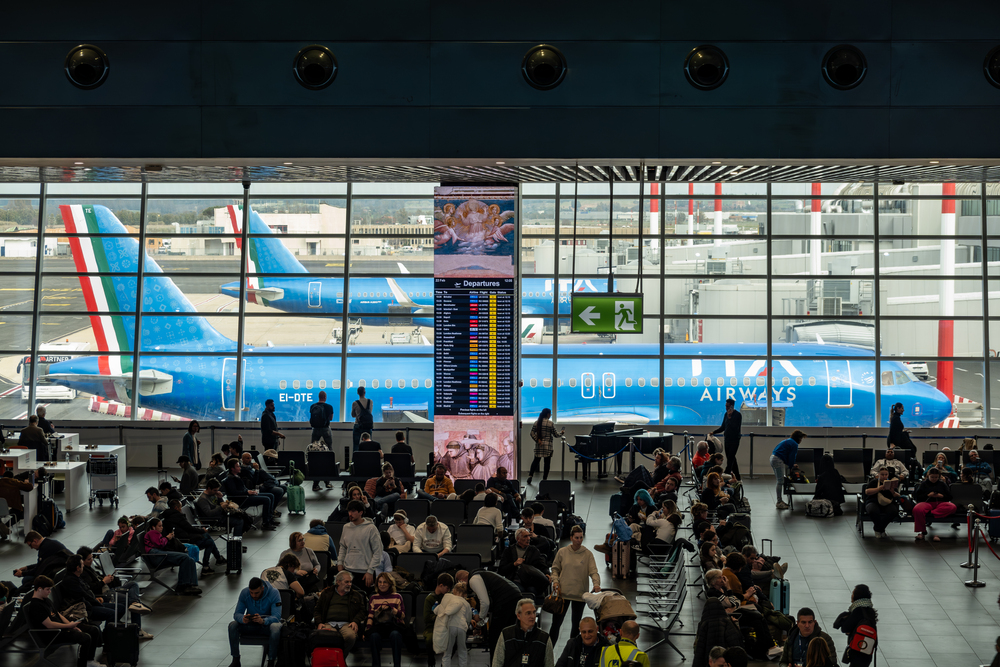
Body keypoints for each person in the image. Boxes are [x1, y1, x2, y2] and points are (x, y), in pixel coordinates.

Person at [24, 575, 104, 667]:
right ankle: (83, 664)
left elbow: (58, 614)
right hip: (52, 634)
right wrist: (68, 626)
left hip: (61, 628)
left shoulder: (45, 600)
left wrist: (71, 625)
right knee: (86, 638)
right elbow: (49, 625)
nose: (49, 592)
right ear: (39, 589)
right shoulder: (36, 606)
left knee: (94, 630)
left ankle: (89, 660)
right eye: (47, 590)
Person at [548, 525, 600, 642]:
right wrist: (555, 581)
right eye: (576, 538)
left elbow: (593, 571)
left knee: (576, 627)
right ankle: (549, 651)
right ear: (571, 538)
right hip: (563, 594)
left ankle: (572, 653)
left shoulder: (587, 554)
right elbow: (555, 569)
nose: (579, 540)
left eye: (581, 537)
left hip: (579, 595)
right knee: (556, 625)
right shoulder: (562, 552)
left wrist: (596, 584)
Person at [459, 569, 523, 661]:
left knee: (495, 637)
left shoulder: (473, 579)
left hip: (506, 600)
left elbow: (485, 603)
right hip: (514, 595)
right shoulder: (480, 574)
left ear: (461, 580)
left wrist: (480, 618)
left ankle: (495, 663)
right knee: (508, 634)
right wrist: (479, 625)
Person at [161, 498, 226, 573]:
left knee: (206, 536)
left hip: (181, 538)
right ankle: (206, 566)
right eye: (180, 507)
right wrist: (202, 530)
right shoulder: (178, 517)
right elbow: (189, 528)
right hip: (186, 539)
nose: (181, 509)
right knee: (209, 542)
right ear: (176, 508)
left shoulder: (167, 517)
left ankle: (218, 559)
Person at [229, 577, 282, 667]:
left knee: (275, 627)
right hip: (250, 624)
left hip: (266, 626)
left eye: (256, 593)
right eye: (251, 593)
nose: (254, 595)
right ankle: (236, 659)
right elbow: (237, 614)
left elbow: (277, 617)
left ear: (262, 588)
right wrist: (243, 618)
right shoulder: (244, 593)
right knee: (232, 625)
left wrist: (263, 621)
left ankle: (271, 661)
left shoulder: (274, 593)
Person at [311, 570, 368, 654]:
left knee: (350, 636)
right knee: (327, 636)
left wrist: (355, 621)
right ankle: (335, 660)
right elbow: (317, 610)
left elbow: (362, 611)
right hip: (328, 623)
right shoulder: (326, 593)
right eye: (347, 582)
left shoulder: (356, 595)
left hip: (347, 623)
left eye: (350, 582)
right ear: (338, 582)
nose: (350, 584)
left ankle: (340, 658)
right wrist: (319, 622)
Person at [143, 518, 202, 595]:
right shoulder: (152, 532)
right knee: (185, 557)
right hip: (157, 555)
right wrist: (167, 538)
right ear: (153, 527)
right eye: (159, 526)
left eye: (162, 526)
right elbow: (159, 544)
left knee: (189, 559)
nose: (162, 527)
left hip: (159, 554)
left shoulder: (155, 533)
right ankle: (182, 585)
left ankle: (190, 584)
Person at [491, 598, 554, 667]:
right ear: (518, 616)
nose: (532, 616)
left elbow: (549, 664)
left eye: (534, 612)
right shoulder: (506, 634)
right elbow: (497, 662)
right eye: (528, 613)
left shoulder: (544, 638)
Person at [338, 499, 383, 592]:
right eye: (349, 511)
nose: (350, 513)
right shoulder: (346, 527)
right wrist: (340, 563)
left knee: (364, 601)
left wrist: (370, 571)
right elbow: (343, 547)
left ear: (361, 512)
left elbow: (378, 551)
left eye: (353, 511)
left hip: (365, 573)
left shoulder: (371, 528)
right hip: (348, 571)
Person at [222, 459, 279, 530]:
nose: (240, 468)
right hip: (242, 499)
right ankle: (265, 523)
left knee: (271, 495)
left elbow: (242, 488)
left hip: (246, 495)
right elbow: (234, 493)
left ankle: (269, 519)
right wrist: (247, 492)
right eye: (237, 466)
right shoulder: (230, 479)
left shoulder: (236, 476)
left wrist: (249, 491)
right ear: (232, 468)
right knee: (267, 499)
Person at [365, 572, 406, 667]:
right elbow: (370, 616)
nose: (382, 585)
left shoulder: (397, 596)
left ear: (390, 584)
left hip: (393, 625)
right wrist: (367, 629)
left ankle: (397, 665)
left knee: (395, 635)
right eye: (380, 582)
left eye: (385, 582)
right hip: (379, 626)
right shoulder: (373, 598)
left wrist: (395, 611)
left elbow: (402, 616)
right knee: (374, 636)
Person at [833, 584, 877, 667]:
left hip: (857, 650)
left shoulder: (858, 610)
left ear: (857, 596)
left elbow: (845, 628)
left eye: (853, 593)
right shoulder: (870, 610)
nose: (851, 595)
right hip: (867, 649)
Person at [693, 598, 744, 667]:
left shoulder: (704, 624)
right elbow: (735, 642)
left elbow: (699, 649)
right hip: (726, 660)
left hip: (710, 661)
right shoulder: (728, 623)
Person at [912, 467, 957, 541]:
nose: (934, 479)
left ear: (939, 477)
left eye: (936, 477)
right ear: (928, 476)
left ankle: (932, 513)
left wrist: (942, 496)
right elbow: (918, 497)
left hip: (940, 503)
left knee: (952, 507)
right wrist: (927, 495)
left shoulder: (942, 484)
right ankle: (922, 530)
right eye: (932, 477)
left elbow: (949, 497)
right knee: (917, 509)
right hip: (927, 503)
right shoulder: (924, 484)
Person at [434, 580, 472, 667]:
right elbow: (468, 618)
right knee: (462, 650)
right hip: (462, 626)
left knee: (447, 652)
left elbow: (436, 611)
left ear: (454, 590)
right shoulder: (466, 603)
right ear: (465, 594)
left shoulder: (449, 599)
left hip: (450, 626)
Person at [424, 573, 454, 667]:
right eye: (447, 588)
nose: (448, 590)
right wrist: (440, 617)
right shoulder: (430, 598)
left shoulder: (448, 597)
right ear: (441, 585)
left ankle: (444, 663)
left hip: (445, 626)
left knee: (454, 639)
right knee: (429, 639)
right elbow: (427, 618)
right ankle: (431, 661)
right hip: (432, 627)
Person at [771, 430, 805, 510]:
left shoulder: (788, 441)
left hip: (773, 458)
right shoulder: (794, 444)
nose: (801, 440)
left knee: (779, 480)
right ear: (798, 438)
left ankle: (780, 501)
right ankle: (779, 502)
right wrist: (791, 466)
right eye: (801, 438)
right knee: (780, 481)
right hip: (778, 460)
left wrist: (791, 465)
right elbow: (792, 457)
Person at [527, 408, 563, 485]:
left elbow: (532, 433)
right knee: (547, 463)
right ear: (547, 414)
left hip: (538, 446)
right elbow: (556, 434)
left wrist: (537, 440)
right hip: (548, 447)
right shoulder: (550, 423)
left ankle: (530, 475)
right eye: (550, 414)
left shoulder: (536, 422)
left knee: (535, 461)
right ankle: (544, 479)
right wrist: (561, 433)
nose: (550, 415)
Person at [863, 468, 902, 538]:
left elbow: (898, 495)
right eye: (882, 474)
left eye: (886, 474)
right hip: (873, 501)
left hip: (887, 502)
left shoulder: (890, 483)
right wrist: (878, 489)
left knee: (893, 511)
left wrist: (892, 491)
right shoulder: (874, 482)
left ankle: (879, 529)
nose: (884, 476)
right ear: (879, 474)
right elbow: (867, 492)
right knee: (873, 510)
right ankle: (880, 529)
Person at [710, 398, 743, 481]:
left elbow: (735, 427)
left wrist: (730, 417)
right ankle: (738, 477)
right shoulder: (725, 415)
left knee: (731, 457)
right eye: (726, 406)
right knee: (731, 458)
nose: (726, 408)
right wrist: (714, 432)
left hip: (734, 440)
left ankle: (727, 473)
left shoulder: (738, 415)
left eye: (727, 406)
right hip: (727, 439)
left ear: (732, 406)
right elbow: (723, 427)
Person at [352, 386, 374, 450]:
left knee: (356, 445)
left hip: (358, 425)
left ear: (358, 393)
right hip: (368, 425)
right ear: (365, 392)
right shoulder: (370, 402)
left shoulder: (355, 403)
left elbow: (353, 415)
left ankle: (356, 459)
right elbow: (370, 412)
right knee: (369, 445)